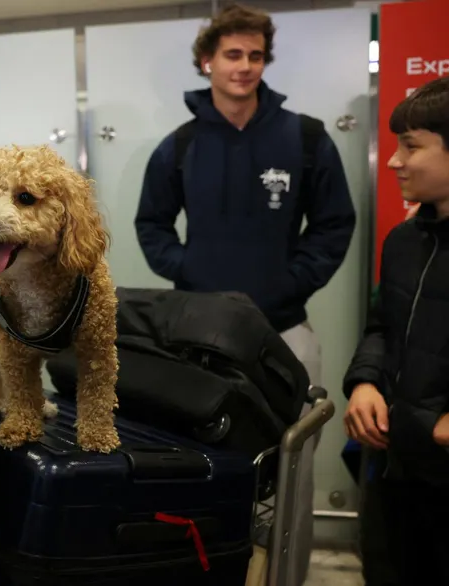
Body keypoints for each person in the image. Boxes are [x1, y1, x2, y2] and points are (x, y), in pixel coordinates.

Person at [132, 4, 356, 584]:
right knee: (202, 467)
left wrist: (289, 282)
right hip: (198, 340)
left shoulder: (304, 138)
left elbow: (335, 224)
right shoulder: (179, 146)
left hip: (285, 337)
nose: (246, 66)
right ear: (208, 60)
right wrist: (191, 274)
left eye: (256, 55)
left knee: (292, 474)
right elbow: (151, 224)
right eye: (233, 54)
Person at [343, 76, 449, 586]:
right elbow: (382, 325)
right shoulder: (404, 241)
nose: (393, 161)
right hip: (395, 465)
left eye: (411, 146)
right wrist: (365, 381)